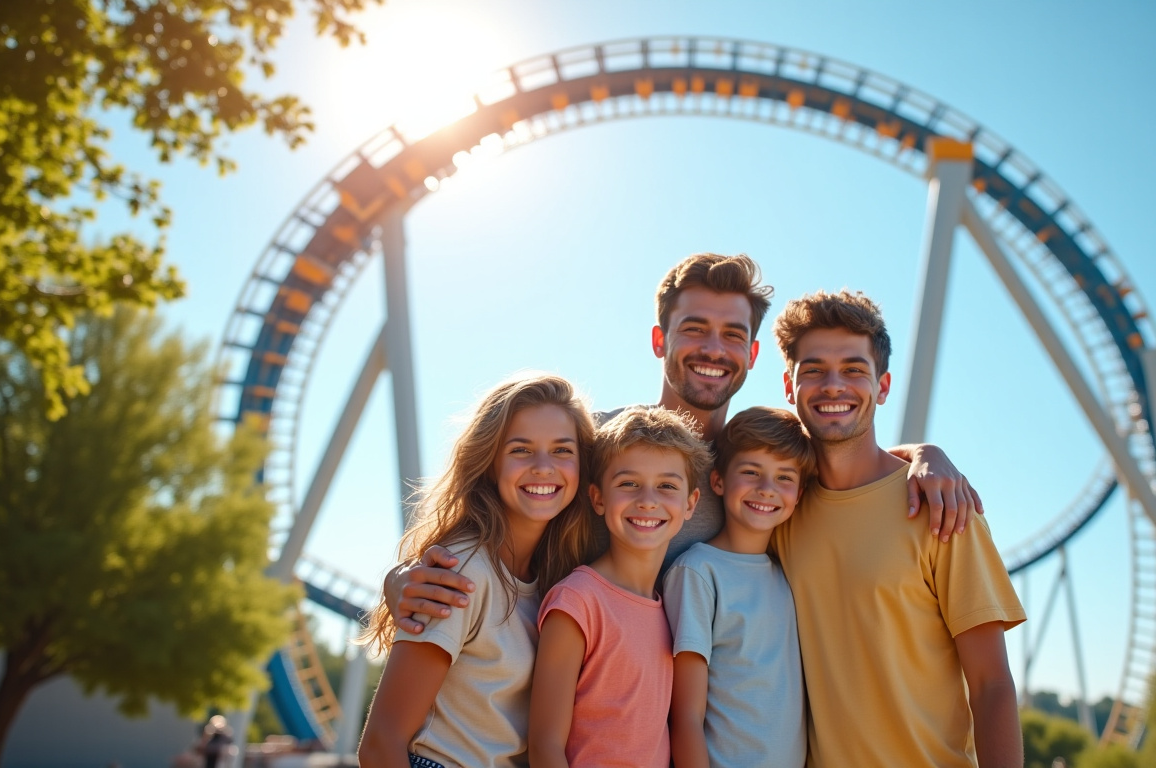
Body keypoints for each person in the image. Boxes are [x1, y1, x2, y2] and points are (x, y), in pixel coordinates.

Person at [385, 253, 983, 629]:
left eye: (732, 335)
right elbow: (487, 518)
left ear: (751, 355)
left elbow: (847, 454)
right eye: (693, 328)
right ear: (659, 340)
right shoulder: (597, 444)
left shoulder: (759, 466)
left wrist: (925, 454)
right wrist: (401, 578)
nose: (712, 349)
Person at [770, 289, 1026, 767]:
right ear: (789, 386)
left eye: (853, 369)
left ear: (882, 386)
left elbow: (992, 685)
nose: (833, 385)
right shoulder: (780, 510)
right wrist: (922, 449)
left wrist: (925, 454)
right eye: (813, 370)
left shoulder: (944, 508)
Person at [357, 375, 597, 768]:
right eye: (521, 449)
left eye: (561, 450)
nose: (543, 467)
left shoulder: (556, 577)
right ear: (490, 462)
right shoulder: (461, 571)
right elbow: (381, 744)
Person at [527, 406, 713, 768]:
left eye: (667, 486)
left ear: (691, 503)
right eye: (629, 484)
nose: (648, 500)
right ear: (598, 498)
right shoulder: (578, 602)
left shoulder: (670, 609)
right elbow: (545, 747)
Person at [663, 406, 814, 768]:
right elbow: (684, 717)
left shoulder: (786, 575)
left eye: (784, 478)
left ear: (799, 493)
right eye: (751, 472)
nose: (766, 489)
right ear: (718, 481)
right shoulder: (698, 572)